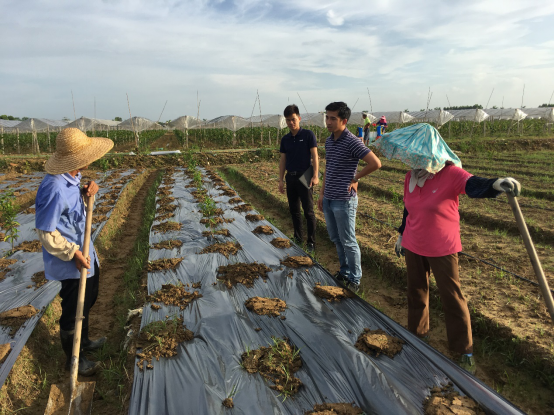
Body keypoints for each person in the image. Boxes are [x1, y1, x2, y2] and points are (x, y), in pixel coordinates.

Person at [395, 157, 521, 375]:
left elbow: (473, 185)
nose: (414, 160)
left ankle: (464, 350)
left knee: (452, 297)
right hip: (413, 242)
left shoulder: (450, 173)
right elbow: (409, 209)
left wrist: (497, 184)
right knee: (416, 292)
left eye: (419, 156)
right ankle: (417, 335)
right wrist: (401, 233)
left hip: (442, 246)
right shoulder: (410, 177)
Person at [35, 128, 114, 376]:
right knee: (73, 309)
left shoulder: (71, 178)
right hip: (70, 260)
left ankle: (85, 341)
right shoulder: (54, 187)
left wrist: (86, 191)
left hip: (85, 251)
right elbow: (46, 233)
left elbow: (71, 207)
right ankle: (74, 360)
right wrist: (74, 253)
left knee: (88, 298)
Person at [317, 102, 382, 291]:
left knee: (348, 240)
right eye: (327, 117)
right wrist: (321, 193)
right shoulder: (329, 141)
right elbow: (328, 168)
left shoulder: (352, 141)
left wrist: (355, 178)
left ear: (344, 121)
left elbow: (375, 163)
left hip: (344, 200)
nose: (328, 122)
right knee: (336, 238)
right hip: (329, 198)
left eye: (333, 118)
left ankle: (355, 279)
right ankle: (344, 271)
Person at [279, 104, 319, 253]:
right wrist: (280, 180)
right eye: (288, 120)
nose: (291, 122)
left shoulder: (308, 135)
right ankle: (298, 238)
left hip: (306, 175)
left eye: (293, 119)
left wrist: (315, 175)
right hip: (291, 176)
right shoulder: (285, 139)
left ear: (299, 118)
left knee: (308, 211)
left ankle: (311, 242)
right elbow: (283, 160)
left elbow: (315, 156)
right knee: (294, 210)